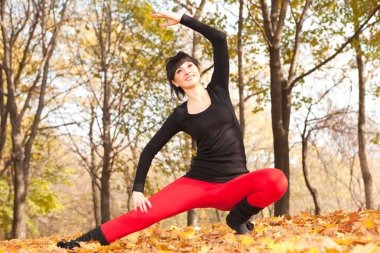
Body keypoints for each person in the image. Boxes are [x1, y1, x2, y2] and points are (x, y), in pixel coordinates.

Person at [57, 11, 288, 250]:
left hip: (234, 184)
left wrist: (183, 20)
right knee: (144, 214)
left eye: (190, 65)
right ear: (175, 82)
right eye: (179, 71)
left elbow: (219, 39)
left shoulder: (219, 89)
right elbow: (150, 149)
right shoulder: (180, 115)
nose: (186, 70)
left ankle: (236, 219)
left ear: (198, 69)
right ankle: (79, 243)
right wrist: (138, 189)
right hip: (196, 184)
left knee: (276, 179)